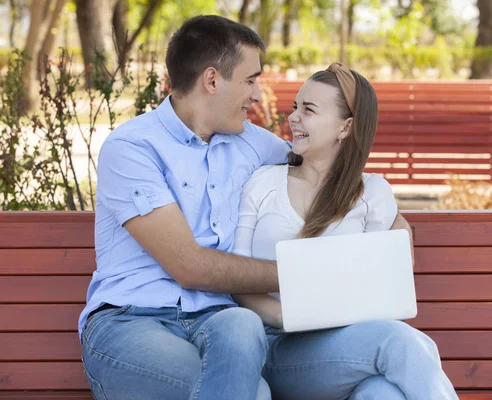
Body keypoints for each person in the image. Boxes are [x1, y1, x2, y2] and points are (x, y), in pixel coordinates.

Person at [78, 14, 414, 400]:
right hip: (134, 321)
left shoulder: (257, 147)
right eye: (250, 79)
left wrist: (393, 228)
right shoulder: (133, 148)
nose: (258, 94)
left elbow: (338, 177)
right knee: (252, 392)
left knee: (245, 330)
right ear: (211, 80)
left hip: (225, 326)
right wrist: (316, 273)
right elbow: (189, 266)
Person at [232, 63, 459, 400]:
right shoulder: (264, 183)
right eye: (295, 106)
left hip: (348, 348)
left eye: (308, 110)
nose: (293, 117)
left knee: (383, 394)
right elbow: (237, 279)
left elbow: (386, 285)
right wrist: (291, 316)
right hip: (275, 347)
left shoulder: (373, 192)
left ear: (346, 127)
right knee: (398, 341)